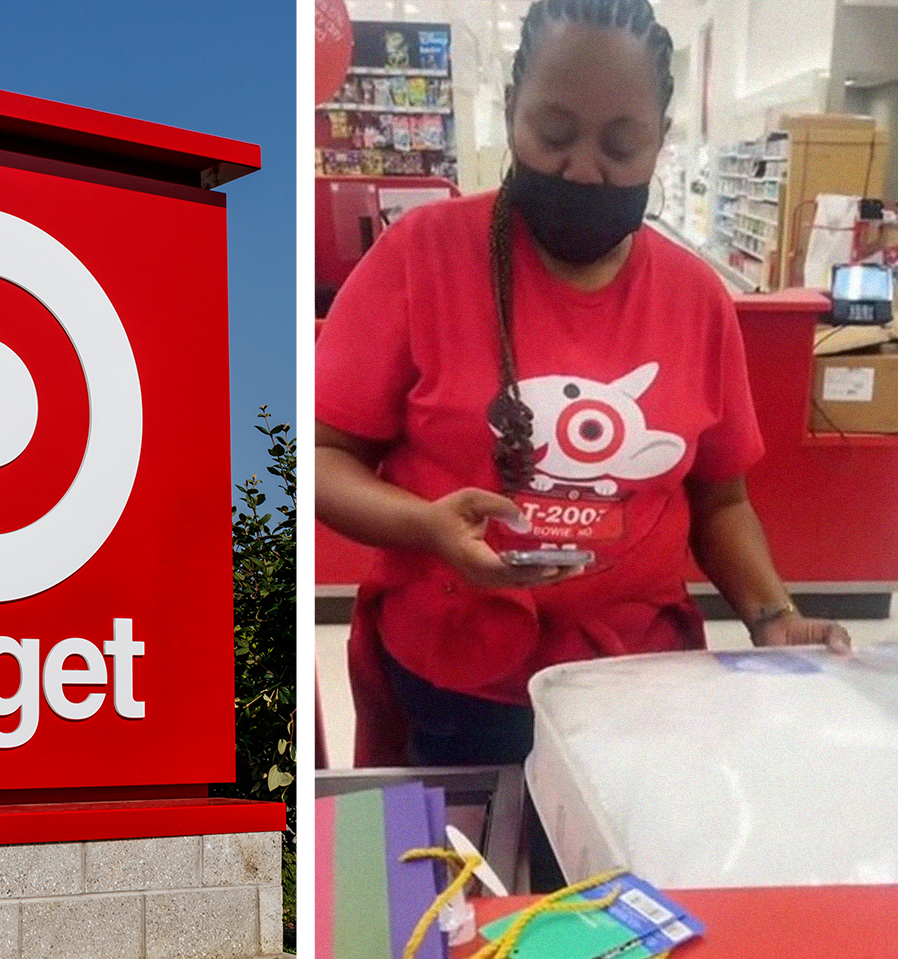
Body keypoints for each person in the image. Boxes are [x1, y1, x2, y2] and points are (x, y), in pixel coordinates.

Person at [314, 0, 851, 773]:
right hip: (455, 673)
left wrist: (773, 614)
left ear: (661, 140)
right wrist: (427, 526)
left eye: (621, 145)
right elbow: (321, 458)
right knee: (467, 852)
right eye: (554, 134)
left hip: (634, 685)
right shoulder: (419, 258)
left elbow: (721, 500)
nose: (582, 170)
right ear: (511, 111)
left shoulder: (695, 298)